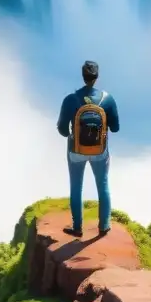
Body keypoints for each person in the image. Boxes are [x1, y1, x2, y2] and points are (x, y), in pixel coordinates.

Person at [57, 60, 120, 237]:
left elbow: (62, 130)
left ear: (83, 76)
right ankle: (104, 226)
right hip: (100, 152)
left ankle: (77, 228)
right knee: (103, 185)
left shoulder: (70, 99)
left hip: (76, 151)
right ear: (97, 77)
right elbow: (115, 128)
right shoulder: (107, 99)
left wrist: (73, 134)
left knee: (76, 187)